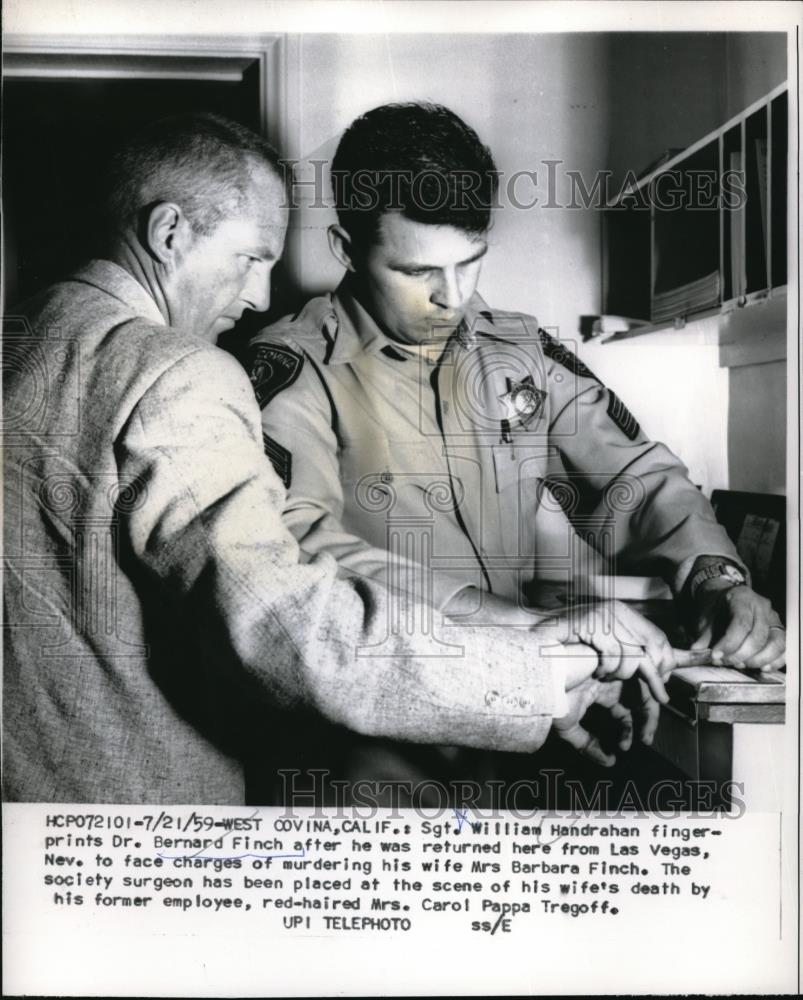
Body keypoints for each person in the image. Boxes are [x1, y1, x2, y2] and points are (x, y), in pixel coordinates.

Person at [3, 111, 651, 806]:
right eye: (251, 258)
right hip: (139, 827)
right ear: (167, 234)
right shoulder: (177, 371)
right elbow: (287, 624)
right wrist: (536, 679)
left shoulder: (23, 343)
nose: (256, 294)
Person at [249, 103, 785, 781]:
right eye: (417, 273)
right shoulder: (294, 367)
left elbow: (638, 475)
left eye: (469, 263)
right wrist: (522, 628)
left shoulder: (522, 348)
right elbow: (300, 549)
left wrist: (717, 579)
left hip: (530, 727)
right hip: (375, 757)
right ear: (347, 249)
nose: (451, 298)